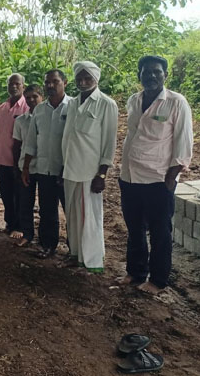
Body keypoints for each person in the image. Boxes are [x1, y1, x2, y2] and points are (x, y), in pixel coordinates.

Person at [117, 55, 193, 294]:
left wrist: (171, 177)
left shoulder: (176, 102)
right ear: (139, 74)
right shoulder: (133, 100)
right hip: (129, 177)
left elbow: (183, 142)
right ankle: (135, 271)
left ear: (165, 75)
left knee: (160, 232)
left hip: (158, 179)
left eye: (156, 72)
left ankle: (158, 280)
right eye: (146, 72)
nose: (151, 76)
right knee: (134, 228)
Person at [61, 61, 118, 272]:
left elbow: (109, 142)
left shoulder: (106, 104)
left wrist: (102, 174)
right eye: (79, 79)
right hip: (69, 169)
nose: (83, 82)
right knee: (73, 215)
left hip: (90, 171)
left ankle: (92, 260)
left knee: (90, 217)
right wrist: (62, 166)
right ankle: (75, 254)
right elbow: (67, 138)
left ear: (96, 79)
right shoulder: (73, 103)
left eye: (88, 78)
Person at [22, 69, 72, 259]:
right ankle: (48, 245)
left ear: (64, 83)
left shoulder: (73, 107)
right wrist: (26, 167)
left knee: (71, 212)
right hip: (44, 169)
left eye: (55, 81)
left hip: (67, 170)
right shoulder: (40, 110)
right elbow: (31, 141)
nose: (50, 85)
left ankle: (74, 249)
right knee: (47, 210)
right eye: (47, 82)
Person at [0, 73, 29, 236]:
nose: (13, 87)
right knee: (6, 194)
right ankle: (10, 223)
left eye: (17, 84)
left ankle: (20, 227)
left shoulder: (27, 107)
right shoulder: (2, 108)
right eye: (10, 84)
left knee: (19, 195)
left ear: (23, 86)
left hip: (18, 161)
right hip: (2, 159)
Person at [12, 85, 44, 247]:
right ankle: (27, 234)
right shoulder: (20, 120)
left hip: (45, 166)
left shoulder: (48, 117)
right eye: (28, 97)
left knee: (46, 206)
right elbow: (16, 145)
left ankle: (46, 240)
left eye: (35, 97)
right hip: (26, 167)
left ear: (42, 97)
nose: (31, 100)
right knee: (25, 202)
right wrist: (17, 167)